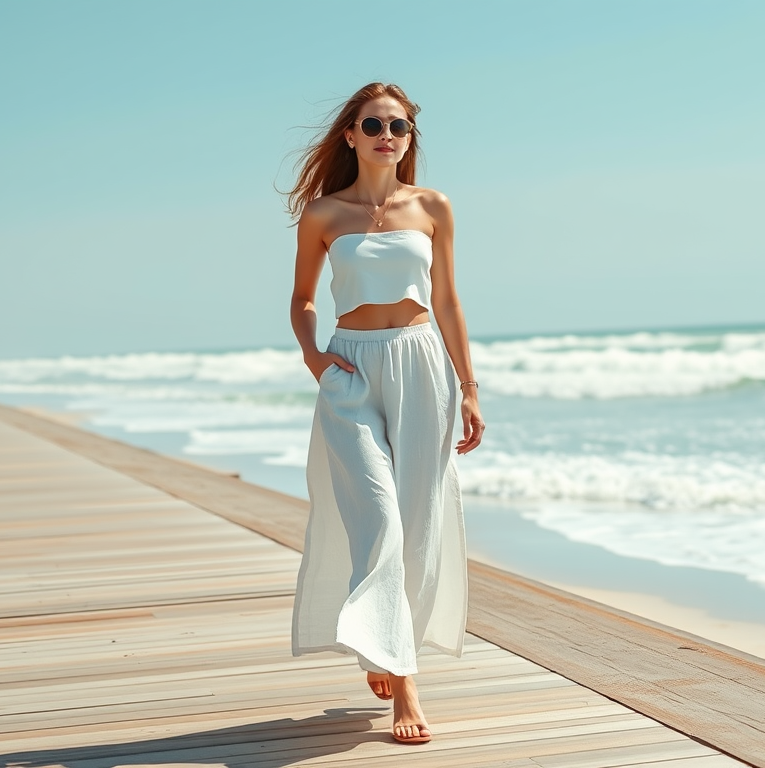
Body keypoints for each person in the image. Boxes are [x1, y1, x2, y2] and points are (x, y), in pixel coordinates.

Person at [287, 82, 484, 745]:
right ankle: (404, 681)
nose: (386, 134)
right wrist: (315, 358)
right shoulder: (323, 213)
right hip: (351, 367)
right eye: (372, 123)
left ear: (408, 137)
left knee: (420, 523)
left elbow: (450, 300)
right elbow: (303, 300)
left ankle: (386, 645)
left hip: (423, 362)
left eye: (398, 125)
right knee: (377, 519)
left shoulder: (432, 207)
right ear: (351, 135)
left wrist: (472, 387)